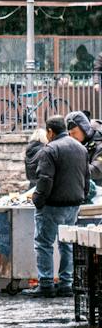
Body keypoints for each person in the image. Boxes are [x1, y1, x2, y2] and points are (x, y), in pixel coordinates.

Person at [31, 115, 88, 294]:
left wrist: (38, 199)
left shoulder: (50, 150)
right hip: (73, 204)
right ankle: (66, 284)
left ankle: (46, 283)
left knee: (44, 244)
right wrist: (82, 196)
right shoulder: (81, 148)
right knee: (67, 244)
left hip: (52, 205)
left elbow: (45, 179)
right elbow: (86, 177)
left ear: (50, 131)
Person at [65, 111, 102, 192]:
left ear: (84, 129)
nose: (72, 137)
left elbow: (96, 170)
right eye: (70, 134)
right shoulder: (78, 142)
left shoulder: (100, 145)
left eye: (74, 133)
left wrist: (72, 167)